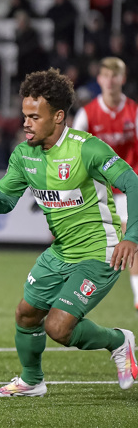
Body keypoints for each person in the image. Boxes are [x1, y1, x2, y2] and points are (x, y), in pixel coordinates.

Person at [0, 68, 138, 397]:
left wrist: (132, 237)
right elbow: (5, 202)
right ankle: (31, 381)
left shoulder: (87, 149)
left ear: (58, 117)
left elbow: (132, 182)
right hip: (60, 252)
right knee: (27, 313)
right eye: (24, 116)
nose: (26, 123)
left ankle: (119, 340)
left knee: (58, 327)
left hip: (99, 251)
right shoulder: (23, 155)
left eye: (34, 117)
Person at [72, 57, 138, 309]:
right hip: (98, 188)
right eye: (106, 76)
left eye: (115, 76)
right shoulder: (87, 114)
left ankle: (137, 295)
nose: (110, 81)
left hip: (127, 185)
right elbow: (74, 151)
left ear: (123, 78)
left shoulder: (134, 112)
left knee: (131, 236)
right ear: (99, 79)